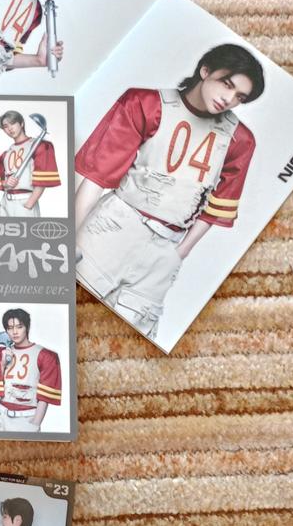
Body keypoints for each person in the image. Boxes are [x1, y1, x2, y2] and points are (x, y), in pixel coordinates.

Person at [74, 43, 265, 337]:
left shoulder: (240, 140)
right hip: (112, 229)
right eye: (227, 84)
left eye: (240, 96)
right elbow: (98, 177)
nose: (229, 99)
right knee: (71, 315)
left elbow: (219, 205)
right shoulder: (146, 104)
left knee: (124, 340)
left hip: (166, 248)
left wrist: (179, 254)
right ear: (205, 71)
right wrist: (65, 239)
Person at [0, 308, 62, 433]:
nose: (15, 332)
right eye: (10, 328)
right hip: (1, 415)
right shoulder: (2, 353)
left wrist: (35, 424)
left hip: (27, 417)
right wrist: (2, 364)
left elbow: (45, 397)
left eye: (19, 327)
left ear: (27, 327)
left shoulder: (46, 356)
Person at [0, 110, 61, 217]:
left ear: (21, 123)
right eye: (5, 126)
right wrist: (5, 183)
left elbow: (42, 180)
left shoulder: (40, 146)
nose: (10, 128)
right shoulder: (5, 154)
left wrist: (29, 205)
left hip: (25, 202)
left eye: (13, 123)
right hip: (5, 203)